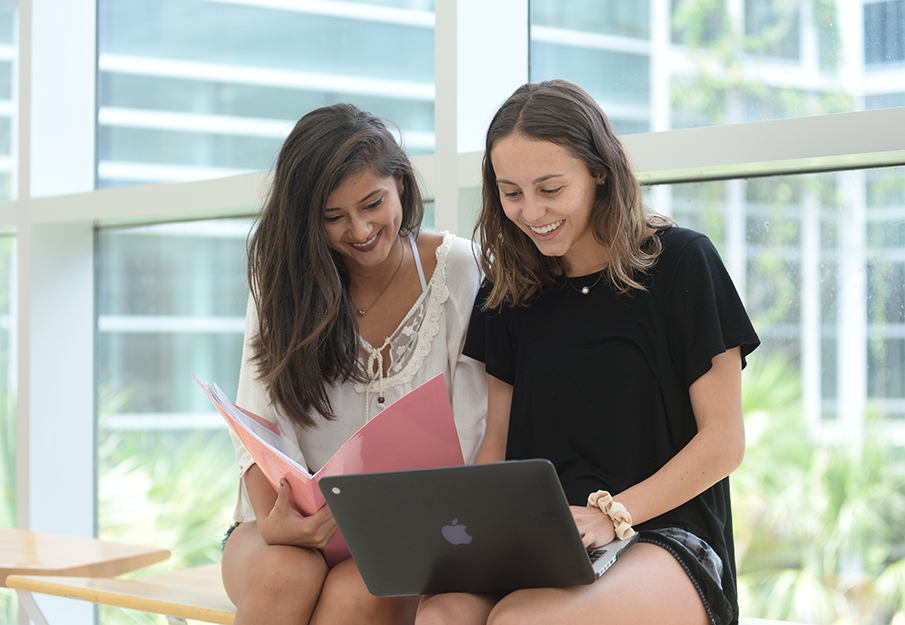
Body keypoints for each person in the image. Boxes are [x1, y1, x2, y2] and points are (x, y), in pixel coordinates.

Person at [415, 80, 760, 625]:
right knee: (440, 615)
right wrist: (466, 535)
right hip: (545, 538)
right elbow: (498, 445)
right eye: (511, 193)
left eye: (551, 188)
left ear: (599, 170)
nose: (532, 212)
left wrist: (612, 515)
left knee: (522, 621)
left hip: (664, 533)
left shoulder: (682, 263)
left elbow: (724, 442)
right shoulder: (508, 291)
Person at [221, 102, 487, 625]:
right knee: (284, 575)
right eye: (333, 217)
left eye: (372, 204)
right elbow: (259, 428)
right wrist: (277, 525)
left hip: (413, 536)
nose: (360, 230)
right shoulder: (280, 285)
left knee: (358, 589)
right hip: (286, 529)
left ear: (403, 187)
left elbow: (474, 431)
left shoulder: (460, 270)